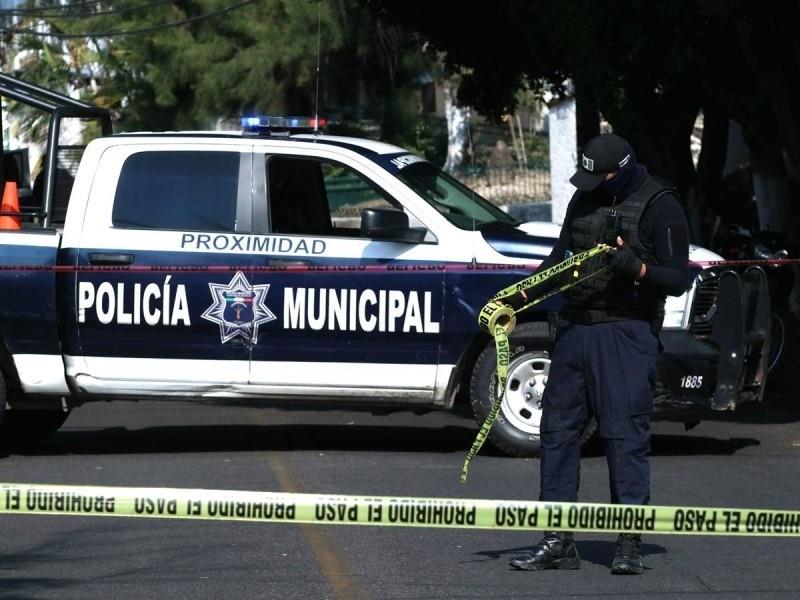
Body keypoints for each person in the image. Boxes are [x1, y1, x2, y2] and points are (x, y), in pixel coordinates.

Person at [506, 133, 690, 575]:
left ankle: (628, 544)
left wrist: (639, 269)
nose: (588, 184)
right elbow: (558, 260)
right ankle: (557, 542)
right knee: (557, 435)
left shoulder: (660, 204)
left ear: (621, 170)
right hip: (574, 330)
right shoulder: (585, 197)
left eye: (597, 176)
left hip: (625, 334)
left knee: (623, 438)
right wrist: (515, 299)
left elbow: (678, 277)